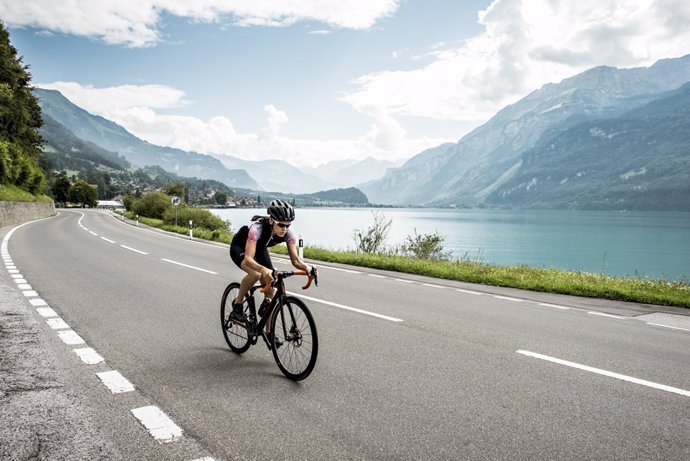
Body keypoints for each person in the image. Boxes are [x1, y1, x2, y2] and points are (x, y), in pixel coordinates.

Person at [228, 199, 314, 331]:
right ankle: (238, 305)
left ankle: (269, 333)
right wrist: (263, 269)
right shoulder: (256, 229)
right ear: (272, 220)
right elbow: (249, 258)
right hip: (240, 248)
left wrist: (308, 268)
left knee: (271, 290)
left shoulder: (288, 234)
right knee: (256, 273)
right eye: (281, 225)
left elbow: (295, 260)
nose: (285, 229)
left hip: (260, 248)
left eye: (288, 225)